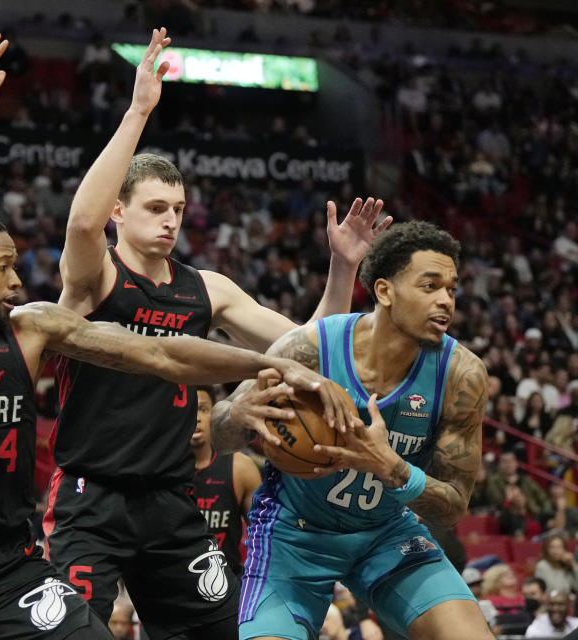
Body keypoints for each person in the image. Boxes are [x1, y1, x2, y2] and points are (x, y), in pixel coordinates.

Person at [0, 31, 342, 640]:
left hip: (13, 560)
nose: (17, 276)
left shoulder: (34, 328)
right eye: (3, 265)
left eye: (178, 209)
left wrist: (279, 364)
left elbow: (160, 352)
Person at [49, 28, 385, 637]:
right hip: (89, 496)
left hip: (172, 498)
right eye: (156, 207)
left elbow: (306, 344)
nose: (171, 220)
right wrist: (139, 111)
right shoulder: (94, 275)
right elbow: (79, 221)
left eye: (177, 209)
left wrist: (343, 267)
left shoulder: (207, 287)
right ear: (119, 213)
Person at [217, 222, 494, 639]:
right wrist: (238, 415)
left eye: (452, 289)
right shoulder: (308, 348)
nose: (445, 301)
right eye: (430, 286)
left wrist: (391, 467)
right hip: (295, 534)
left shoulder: (462, 375)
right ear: (384, 291)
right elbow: (219, 431)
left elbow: (453, 507)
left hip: (386, 532)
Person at [190, 386, 263, 577]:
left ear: (213, 414)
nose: (196, 417)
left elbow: (264, 538)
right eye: (189, 409)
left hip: (228, 585)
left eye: (203, 409)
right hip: (172, 585)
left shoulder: (241, 468)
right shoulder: (159, 470)